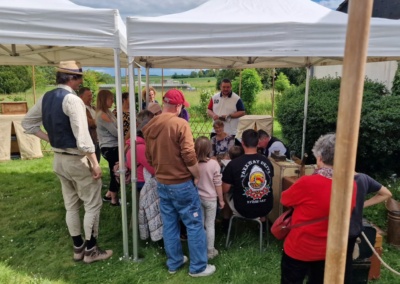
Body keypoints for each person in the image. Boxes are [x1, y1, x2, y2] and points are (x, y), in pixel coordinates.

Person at [22, 61, 112, 263]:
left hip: (58, 159)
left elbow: (27, 123)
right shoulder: (72, 100)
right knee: (92, 204)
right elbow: (83, 137)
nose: (81, 82)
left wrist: (49, 139)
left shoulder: (46, 97)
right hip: (77, 159)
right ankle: (91, 251)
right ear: (73, 78)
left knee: (71, 206)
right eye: (80, 77)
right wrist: (94, 163)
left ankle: (78, 248)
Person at [142, 89, 216, 277]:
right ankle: (198, 267)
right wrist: (197, 174)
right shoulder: (180, 124)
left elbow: (149, 157)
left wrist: (161, 170)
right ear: (178, 105)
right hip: (182, 183)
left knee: (170, 224)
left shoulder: (150, 125)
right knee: (194, 224)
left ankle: (174, 262)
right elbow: (189, 155)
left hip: (162, 182)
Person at [280, 133, 357, 284]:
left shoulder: (308, 183)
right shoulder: (351, 185)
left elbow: (285, 199)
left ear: (320, 158)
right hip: (328, 249)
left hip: (300, 247)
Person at [344, 173, 392, 283]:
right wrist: (362, 204)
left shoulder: (328, 177)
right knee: (347, 266)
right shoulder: (362, 178)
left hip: (332, 230)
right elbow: (386, 193)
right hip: (352, 230)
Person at [222, 129, 274, 221]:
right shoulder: (267, 161)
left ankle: (226, 222)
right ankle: (262, 225)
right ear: (258, 142)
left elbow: (225, 189)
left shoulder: (233, 164)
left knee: (225, 193)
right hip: (266, 208)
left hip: (243, 209)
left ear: (242, 142)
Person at [195, 136, 224, 259]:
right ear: (209, 149)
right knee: (210, 224)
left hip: (197, 198)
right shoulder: (214, 164)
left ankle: (200, 249)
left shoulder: (193, 163)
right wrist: (221, 200)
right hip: (211, 199)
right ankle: (210, 251)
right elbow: (218, 184)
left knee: (200, 224)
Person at [96, 90, 120, 206]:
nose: (113, 101)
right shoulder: (104, 115)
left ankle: (109, 195)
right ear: (104, 100)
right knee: (117, 172)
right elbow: (116, 132)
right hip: (110, 147)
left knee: (114, 171)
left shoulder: (107, 112)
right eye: (111, 99)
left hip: (111, 146)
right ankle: (114, 200)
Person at [126, 110, 155, 191]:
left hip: (141, 181)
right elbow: (153, 170)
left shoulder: (136, 143)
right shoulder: (140, 148)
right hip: (143, 183)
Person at [78, 87, 101, 162]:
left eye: (91, 95)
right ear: (81, 97)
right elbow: (90, 123)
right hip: (90, 140)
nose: (91, 98)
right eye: (88, 96)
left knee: (97, 162)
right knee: (90, 164)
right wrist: (101, 121)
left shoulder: (94, 108)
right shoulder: (81, 109)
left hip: (98, 140)